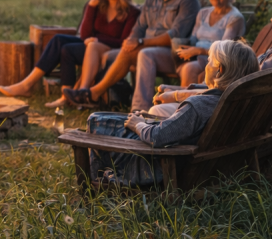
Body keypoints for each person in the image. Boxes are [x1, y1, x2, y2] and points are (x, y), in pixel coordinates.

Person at [84, 40, 259, 186]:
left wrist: (138, 124)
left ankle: (98, 181)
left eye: (209, 61)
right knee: (125, 117)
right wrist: (149, 119)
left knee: (96, 120)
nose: (206, 65)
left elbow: (158, 137)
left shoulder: (198, 106)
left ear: (219, 70)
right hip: (204, 162)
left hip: (164, 166)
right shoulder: (239, 100)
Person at [63, 0, 200, 112]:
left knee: (145, 53)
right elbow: (139, 27)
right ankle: (100, 98)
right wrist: (132, 40)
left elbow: (174, 35)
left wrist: (141, 42)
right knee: (114, 53)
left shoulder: (187, 0)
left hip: (174, 54)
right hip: (146, 49)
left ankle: (139, 110)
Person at [0, 0, 139, 103]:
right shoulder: (97, 5)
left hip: (110, 50)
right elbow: (84, 35)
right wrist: (90, 7)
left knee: (72, 49)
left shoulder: (131, 12)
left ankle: (70, 96)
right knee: (59, 41)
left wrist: (97, 39)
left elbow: (124, 41)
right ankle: (30, 85)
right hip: (90, 47)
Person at [174, 0, 245, 86]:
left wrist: (198, 51)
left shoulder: (234, 18)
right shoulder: (203, 13)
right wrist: (182, 45)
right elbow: (193, 39)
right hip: (195, 57)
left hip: (217, 62)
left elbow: (224, 51)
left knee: (189, 68)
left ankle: (183, 101)